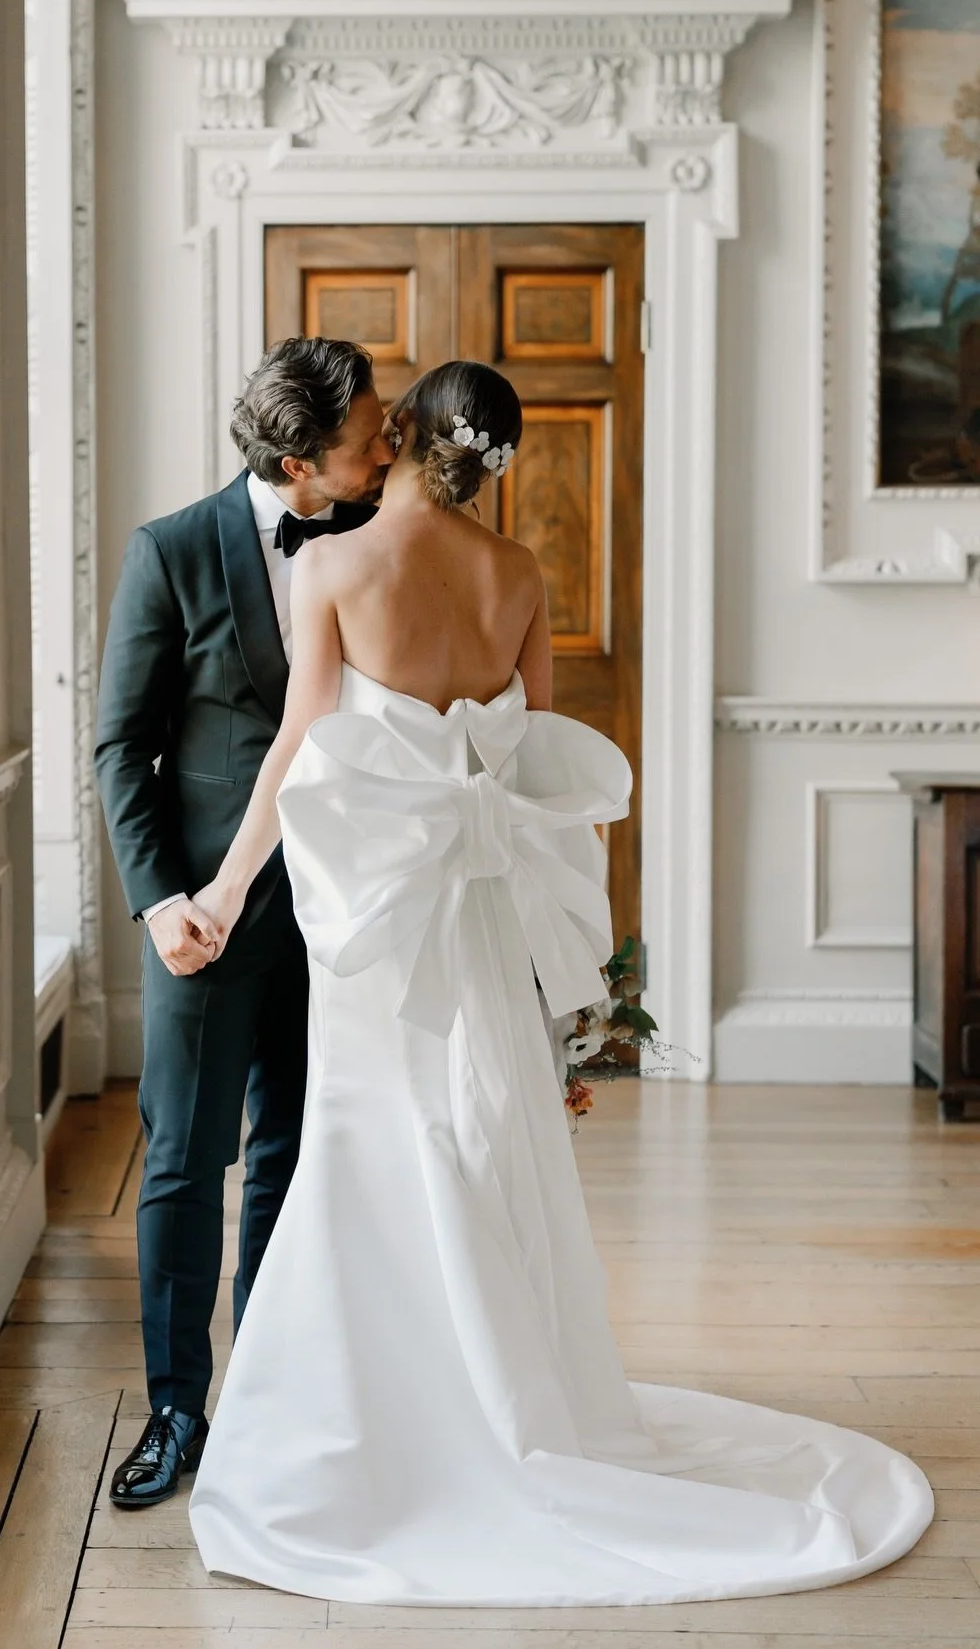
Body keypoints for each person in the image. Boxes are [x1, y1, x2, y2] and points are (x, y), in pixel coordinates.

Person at [184, 359, 933, 1604]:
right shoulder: (521, 574)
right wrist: (569, 958)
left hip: (383, 928)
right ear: (490, 458)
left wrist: (219, 890)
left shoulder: (328, 568)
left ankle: (391, 1427)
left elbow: (299, 747)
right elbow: (535, 774)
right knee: (489, 1137)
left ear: (410, 433)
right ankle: (511, 1390)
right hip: (481, 910)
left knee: (377, 1142)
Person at [93, 336, 394, 1509]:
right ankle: (177, 1407)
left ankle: (270, 1391)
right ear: (296, 459)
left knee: (295, 1149)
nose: (386, 444)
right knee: (182, 1157)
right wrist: (162, 900)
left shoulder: (378, 541)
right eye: (365, 435)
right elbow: (124, 742)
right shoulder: (169, 550)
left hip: (343, 903)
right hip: (205, 918)